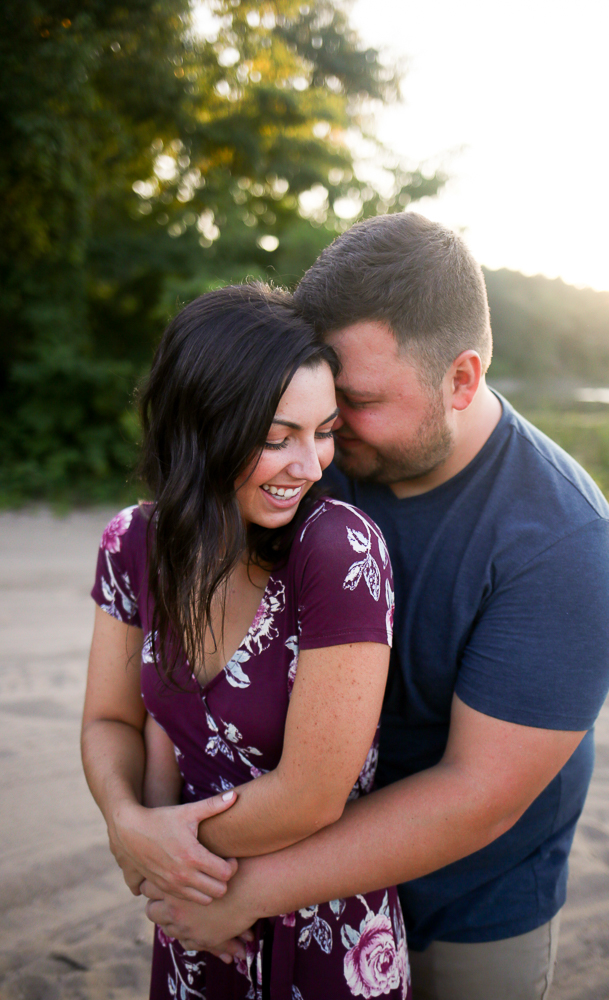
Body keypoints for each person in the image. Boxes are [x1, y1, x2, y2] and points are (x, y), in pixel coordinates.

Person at [142, 215, 609, 1000]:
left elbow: (476, 796)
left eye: (356, 402)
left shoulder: (562, 543)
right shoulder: (311, 460)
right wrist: (152, 828)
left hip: (466, 909)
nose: (326, 433)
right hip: (273, 863)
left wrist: (228, 880)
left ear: (461, 379)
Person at [81, 284, 411, 1000]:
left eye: (322, 430)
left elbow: (311, 798)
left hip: (318, 925)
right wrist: (126, 820)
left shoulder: (339, 550)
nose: (311, 462)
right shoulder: (132, 543)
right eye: (275, 437)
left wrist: (165, 857)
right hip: (193, 926)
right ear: (201, 426)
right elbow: (111, 720)